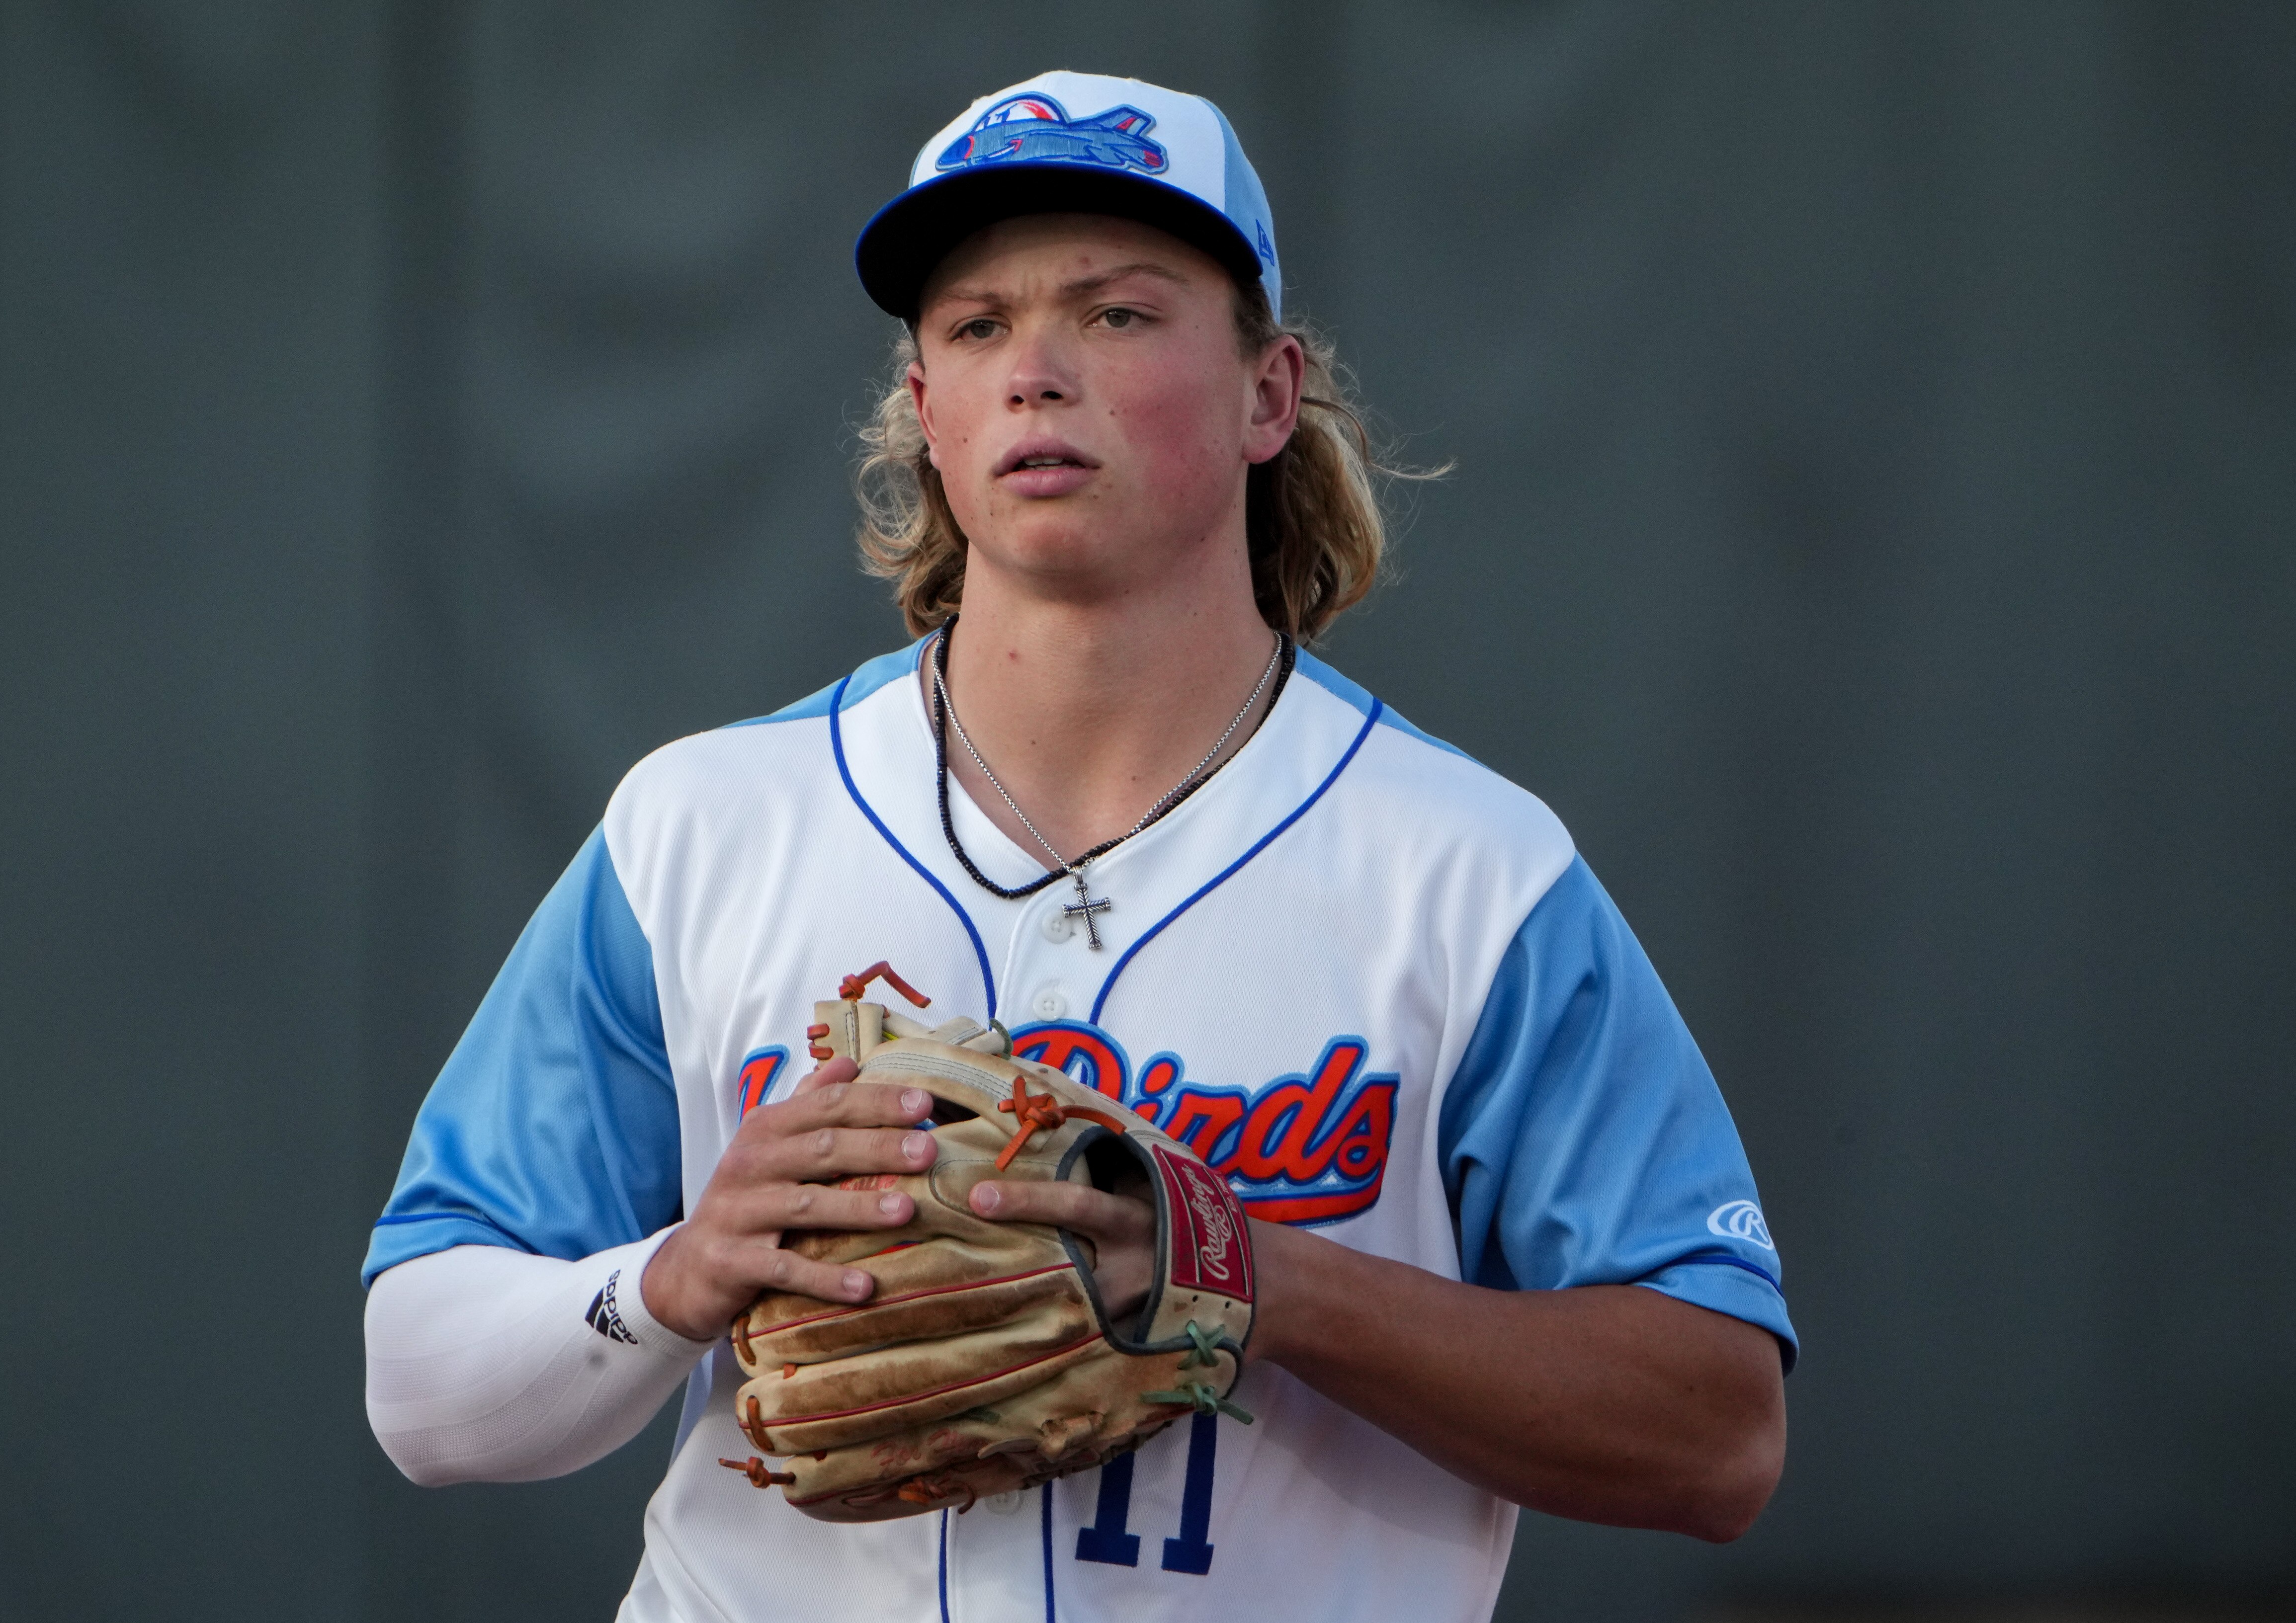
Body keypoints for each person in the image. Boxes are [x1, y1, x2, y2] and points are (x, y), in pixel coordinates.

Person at [361, 70, 1794, 1623]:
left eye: (1117, 313)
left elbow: (1715, 1434)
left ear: (1267, 394)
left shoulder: (1463, 871)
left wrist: (1272, 1281)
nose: (1035, 369)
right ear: (927, 411)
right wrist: (675, 1275)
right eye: (976, 326)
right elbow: (421, 1392)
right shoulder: (704, 826)